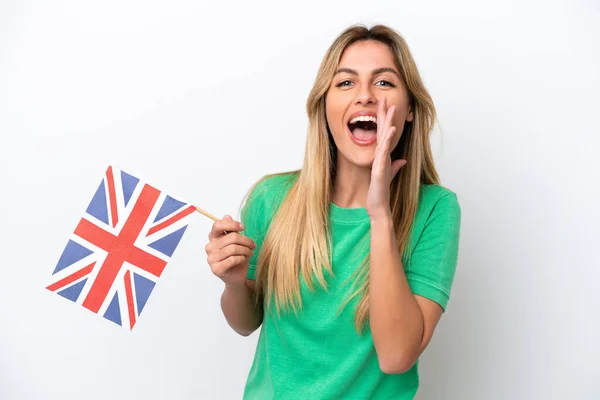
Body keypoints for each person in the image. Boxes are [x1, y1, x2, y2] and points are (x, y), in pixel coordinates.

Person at [204, 23, 462, 399]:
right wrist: (233, 283)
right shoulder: (270, 198)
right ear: (324, 107)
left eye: (384, 83)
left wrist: (380, 216)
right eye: (345, 83)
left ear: (409, 110)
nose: (365, 97)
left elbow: (396, 356)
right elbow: (247, 323)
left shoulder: (436, 210)